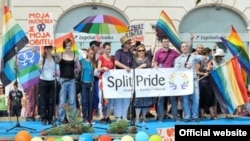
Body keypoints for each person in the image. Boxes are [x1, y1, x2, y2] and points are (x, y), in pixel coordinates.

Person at [174, 42, 204, 122]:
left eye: (186, 46)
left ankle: (195, 115)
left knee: (196, 99)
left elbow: (203, 58)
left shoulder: (193, 56)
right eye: (183, 46)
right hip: (184, 82)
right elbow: (176, 71)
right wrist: (184, 68)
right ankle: (187, 116)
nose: (184, 48)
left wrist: (199, 53)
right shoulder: (178, 59)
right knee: (185, 99)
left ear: (188, 48)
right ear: (181, 49)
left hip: (193, 80)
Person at [152, 36, 180, 122]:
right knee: (161, 99)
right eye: (164, 42)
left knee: (173, 99)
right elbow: (155, 64)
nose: (166, 43)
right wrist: (155, 66)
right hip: (161, 79)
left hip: (171, 79)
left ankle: (175, 117)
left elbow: (181, 59)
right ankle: (160, 117)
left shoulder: (174, 52)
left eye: (167, 41)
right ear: (162, 43)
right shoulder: (158, 52)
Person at [56, 38, 81, 124]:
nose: (69, 47)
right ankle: (61, 119)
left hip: (72, 81)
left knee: (72, 101)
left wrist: (77, 69)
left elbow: (79, 68)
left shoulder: (75, 55)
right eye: (67, 45)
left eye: (70, 45)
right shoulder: (60, 54)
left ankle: (72, 119)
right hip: (63, 80)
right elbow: (54, 60)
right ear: (64, 46)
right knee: (62, 101)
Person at [132, 44, 155, 123]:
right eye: (139, 51)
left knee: (146, 100)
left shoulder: (148, 58)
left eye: (143, 50)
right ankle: (138, 117)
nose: (141, 52)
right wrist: (141, 66)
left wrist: (155, 35)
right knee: (138, 101)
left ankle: (144, 117)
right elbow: (133, 70)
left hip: (147, 83)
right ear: (137, 52)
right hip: (138, 84)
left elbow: (153, 47)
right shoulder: (134, 60)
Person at [114, 35, 133, 121]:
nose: (130, 44)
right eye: (128, 43)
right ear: (124, 44)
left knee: (127, 97)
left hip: (128, 78)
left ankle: (124, 115)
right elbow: (116, 62)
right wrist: (125, 67)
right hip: (120, 77)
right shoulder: (119, 52)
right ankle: (118, 116)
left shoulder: (131, 53)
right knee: (119, 97)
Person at [38, 45, 57, 125]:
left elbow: (59, 60)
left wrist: (56, 52)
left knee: (51, 101)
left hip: (52, 81)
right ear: (44, 49)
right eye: (47, 48)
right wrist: (40, 65)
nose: (48, 50)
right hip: (43, 81)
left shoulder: (54, 58)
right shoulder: (42, 58)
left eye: (50, 48)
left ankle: (50, 118)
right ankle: (44, 118)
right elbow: (39, 68)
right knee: (43, 100)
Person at [97, 42, 115, 124]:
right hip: (102, 80)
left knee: (109, 98)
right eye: (107, 49)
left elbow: (114, 68)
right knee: (101, 98)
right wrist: (103, 68)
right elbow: (98, 69)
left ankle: (107, 116)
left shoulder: (112, 58)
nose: (108, 50)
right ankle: (101, 116)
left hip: (110, 81)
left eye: (109, 49)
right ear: (104, 49)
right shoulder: (101, 58)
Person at [80, 47, 96, 124]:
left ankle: (90, 118)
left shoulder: (94, 63)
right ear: (87, 53)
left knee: (91, 102)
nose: (92, 55)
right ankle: (85, 118)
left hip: (91, 83)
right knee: (84, 101)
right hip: (83, 83)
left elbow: (96, 72)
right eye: (90, 53)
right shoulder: (82, 61)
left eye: (93, 54)